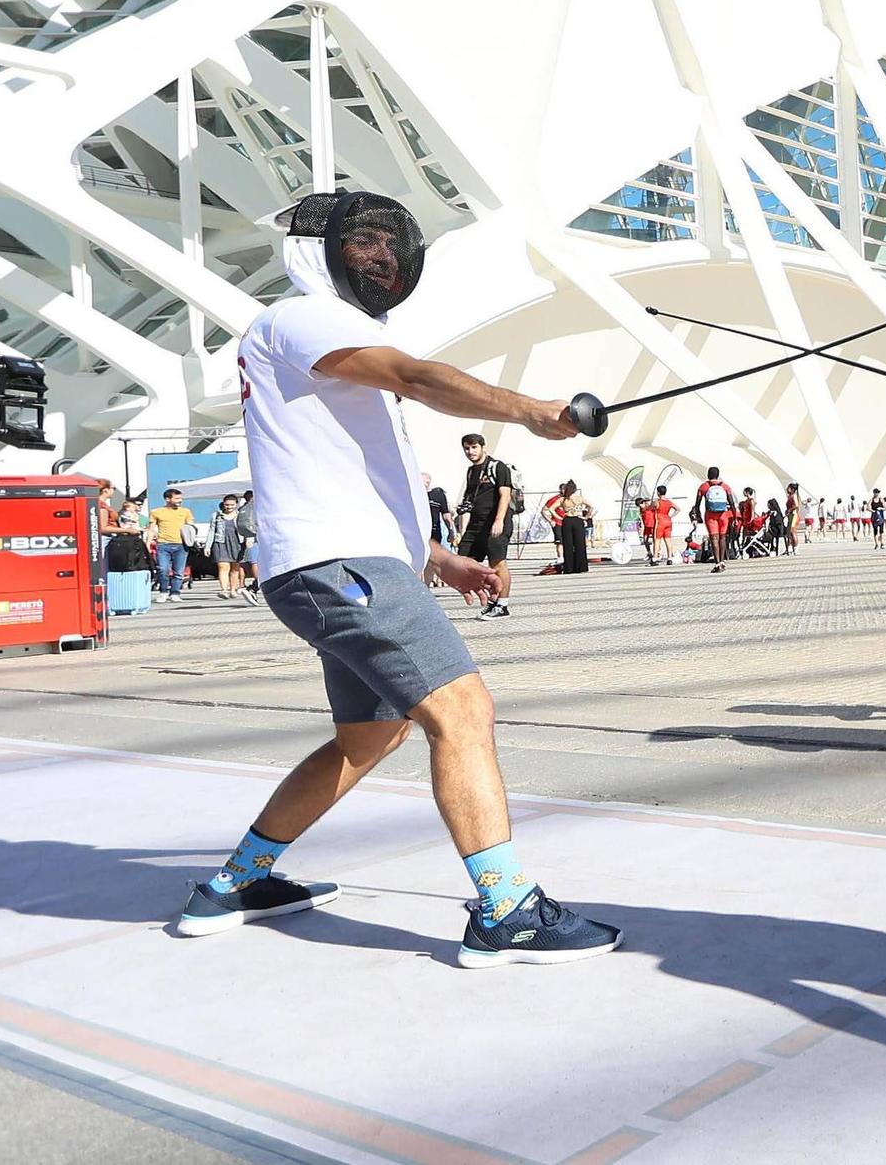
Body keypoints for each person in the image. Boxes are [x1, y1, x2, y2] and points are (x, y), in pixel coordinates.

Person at [181, 190, 618, 966]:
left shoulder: (321, 341)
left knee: (365, 739)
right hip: (338, 564)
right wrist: (527, 410)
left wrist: (440, 560)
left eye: (392, 242)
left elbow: (353, 472)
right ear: (319, 249)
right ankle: (507, 907)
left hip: (344, 561)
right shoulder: (304, 317)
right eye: (366, 242)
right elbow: (416, 375)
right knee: (463, 709)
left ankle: (235, 883)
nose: (384, 257)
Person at [456, 434, 515, 620]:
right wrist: (463, 526)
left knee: (497, 563)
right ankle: (493, 598)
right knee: (464, 561)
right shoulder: (471, 471)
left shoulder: (497, 467)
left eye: (474, 447)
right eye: (467, 448)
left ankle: (502, 605)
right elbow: (469, 499)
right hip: (476, 524)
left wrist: (498, 520)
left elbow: (505, 495)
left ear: (483, 447)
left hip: (495, 522)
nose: (470, 452)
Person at [147, 488, 195, 604]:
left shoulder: (185, 512)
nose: (180, 500)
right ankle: (163, 592)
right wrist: (148, 543)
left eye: (180, 498)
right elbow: (151, 529)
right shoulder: (156, 512)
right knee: (162, 569)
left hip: (181, 545)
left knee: (178, 571)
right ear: (168, 499)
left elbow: (190, 527)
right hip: (163, 544)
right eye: (177, 498)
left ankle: (175, 593)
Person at [105, 510, 155, 616]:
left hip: (120, 554)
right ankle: (125, 604)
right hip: (129, 552)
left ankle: (114, 604)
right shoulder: (104, 508)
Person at [209, 494, 249, 600]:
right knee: (223, 566)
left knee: (235, 568)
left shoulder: (241, 515)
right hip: (221, 542)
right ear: (223, 504)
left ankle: (233, 589)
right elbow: (212, 531)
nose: (229, 507)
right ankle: (224, 590)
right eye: (227, 504)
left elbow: (247, 528)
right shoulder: (217, 516)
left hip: (237, 543)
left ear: (236, 504)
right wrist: (207, 546)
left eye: (232, 505)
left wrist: (248, 539)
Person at [695, 466, 735, 571]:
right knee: (722, 538)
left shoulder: (704, 486)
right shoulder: (725, 486)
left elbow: (697, 504)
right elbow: (732, 503)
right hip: (723, 515)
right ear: (718, 475)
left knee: (714, 538)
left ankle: (717, 563)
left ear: (708, 475)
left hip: (710, 515)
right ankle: (722, 561)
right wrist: (734, 517)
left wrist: (698, 515)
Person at [557, 480, 590, 574]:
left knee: (568, 544)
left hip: (567, 519)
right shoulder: (579, 498)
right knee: (580, 544)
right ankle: (581, 566)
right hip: (578, 519)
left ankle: (569, 567)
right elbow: (591, 506)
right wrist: (586, 517)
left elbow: (550, 509)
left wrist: (558, 517)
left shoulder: (563, 500)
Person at [236, 491, 261, 603]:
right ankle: (253, 588)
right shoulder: (259, 506)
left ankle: (253, 588)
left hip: (254, 538)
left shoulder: (244, 508)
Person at [783, 483, 801, 555]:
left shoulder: (794, 496)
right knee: (789, 533)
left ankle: (796, 548)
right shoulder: (789, 496)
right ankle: (789, 547)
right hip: (790, 515)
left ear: (792, 489)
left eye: (788, 488)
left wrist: (789, 510)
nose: (787, 489)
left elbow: (796, 506)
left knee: (793, 531)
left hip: (794, 515)